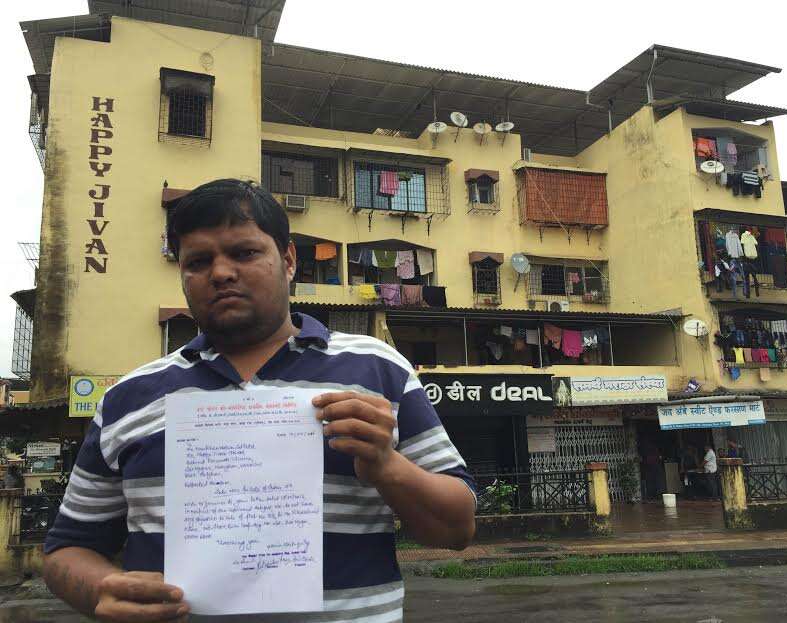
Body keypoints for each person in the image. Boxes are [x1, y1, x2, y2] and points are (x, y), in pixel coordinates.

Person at [42, 179, 476, 623]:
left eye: (244, 252)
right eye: (198, 261)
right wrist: (100, 591)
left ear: (288, 261)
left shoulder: (378, 369)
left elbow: (457, 530)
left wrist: (387, 467)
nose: (221, 273)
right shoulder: (129, 398)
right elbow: (67, 548)